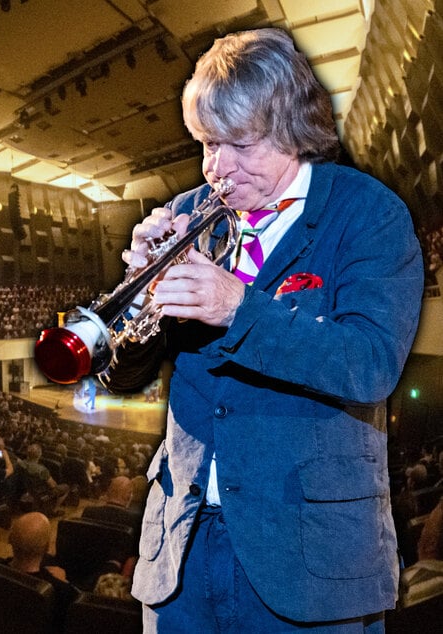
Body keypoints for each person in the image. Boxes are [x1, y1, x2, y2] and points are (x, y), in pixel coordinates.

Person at [101, 28, 423, 632]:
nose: (217, 169)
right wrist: (142, 304)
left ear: (294, 130)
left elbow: (371, 364)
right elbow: (125, 375)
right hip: (183, 552)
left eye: (239, 145)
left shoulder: (369, 214)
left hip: (309, 562)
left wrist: (237, 309)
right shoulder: (193, 213)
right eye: (206, 144)